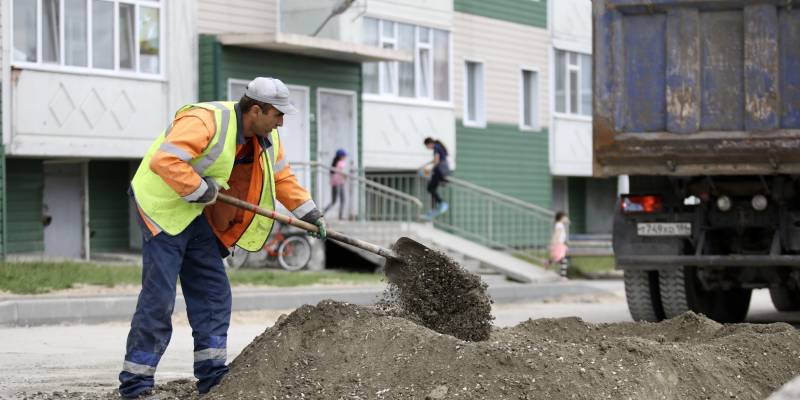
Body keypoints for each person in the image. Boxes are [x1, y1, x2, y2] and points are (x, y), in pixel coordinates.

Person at [119, 77, 327, 398]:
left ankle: (213, 379)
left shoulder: (265, 139)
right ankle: (136, 385)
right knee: (159, 299)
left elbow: (283, 178)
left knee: (214, 292)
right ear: (255, 110)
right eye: (278, 115)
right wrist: (202, 190)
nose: (282, 122)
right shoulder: (205, 120)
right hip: (161, 207)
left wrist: (310, 214)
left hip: (192, 213)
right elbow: (165, 160)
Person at [422, 137, 451, 219]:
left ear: (429, 144)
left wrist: (429, 169)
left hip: (439, 171)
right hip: (443, 171)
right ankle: (437, 206)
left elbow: (436, 161)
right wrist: (426, 165)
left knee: (430, 188)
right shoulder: (439, 146)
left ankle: (441, 203)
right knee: (432, 188)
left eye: (427, 146)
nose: (427, 148)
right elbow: (435, 160)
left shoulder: (436, 148)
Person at [323, 149, 347, 219]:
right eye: (344, 156)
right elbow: (343, 173)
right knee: (343, 200)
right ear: (341, 156)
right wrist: (345, 177)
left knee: (334, 201)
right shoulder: (341, 163)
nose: (345, 157)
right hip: (340, 184)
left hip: (334, 184)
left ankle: (323, 212)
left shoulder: (334, 163)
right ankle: (341, 216)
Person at [549, 211, 570, 279]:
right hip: (559, 245)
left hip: (560, 244)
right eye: (566, 217)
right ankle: (563, 276)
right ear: (561, 218)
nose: (567, 219)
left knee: (558, 259)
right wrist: (554, 243)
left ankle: (547, 262)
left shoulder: (559, 224)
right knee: (563, 260)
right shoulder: (559, 225)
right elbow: (557, 234)